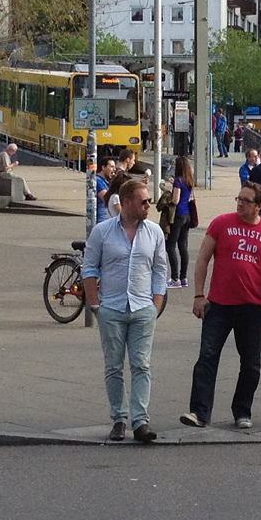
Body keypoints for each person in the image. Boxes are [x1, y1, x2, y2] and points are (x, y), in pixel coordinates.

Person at [178, 181, 261, 429]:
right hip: (219, 305)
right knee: (207, 357)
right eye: (238, 198)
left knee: (251, 363)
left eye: (246, 201)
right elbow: (202, 259)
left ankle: (242, 410)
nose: (240, 204)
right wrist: (199, 295)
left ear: (259, 206)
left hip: (252, 306)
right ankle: (199, 412)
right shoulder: (221, 223)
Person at [83, 178, 168, 443]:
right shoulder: (103, 231)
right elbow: (89, 269)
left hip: (143, 308)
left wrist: (155, 305)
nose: (148, 206)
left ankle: (141, 421)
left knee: (141, 365)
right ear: (126, 202)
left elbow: (160, 269)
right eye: (143, 201)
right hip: (112, 308)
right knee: (113, 367)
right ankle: (119, 419)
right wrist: (96, 304)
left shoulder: (154, 232)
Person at [166, 156, 195, 289]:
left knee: (171, 245)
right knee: (183, 245)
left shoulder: (178, 181)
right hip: (188, 214)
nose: (172, 166)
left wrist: (166, 192)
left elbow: (175, 200)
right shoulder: (189, 180)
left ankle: (175, 278)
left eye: (174, 164)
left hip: (178, 215)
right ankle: (183, 278)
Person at [95, 157, 116, 224]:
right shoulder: (98, 180)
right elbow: (106, 198)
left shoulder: (105, 181)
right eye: (112, 167)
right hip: (101, 219)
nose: (114, 169)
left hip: (106, 219)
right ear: (103, 167)